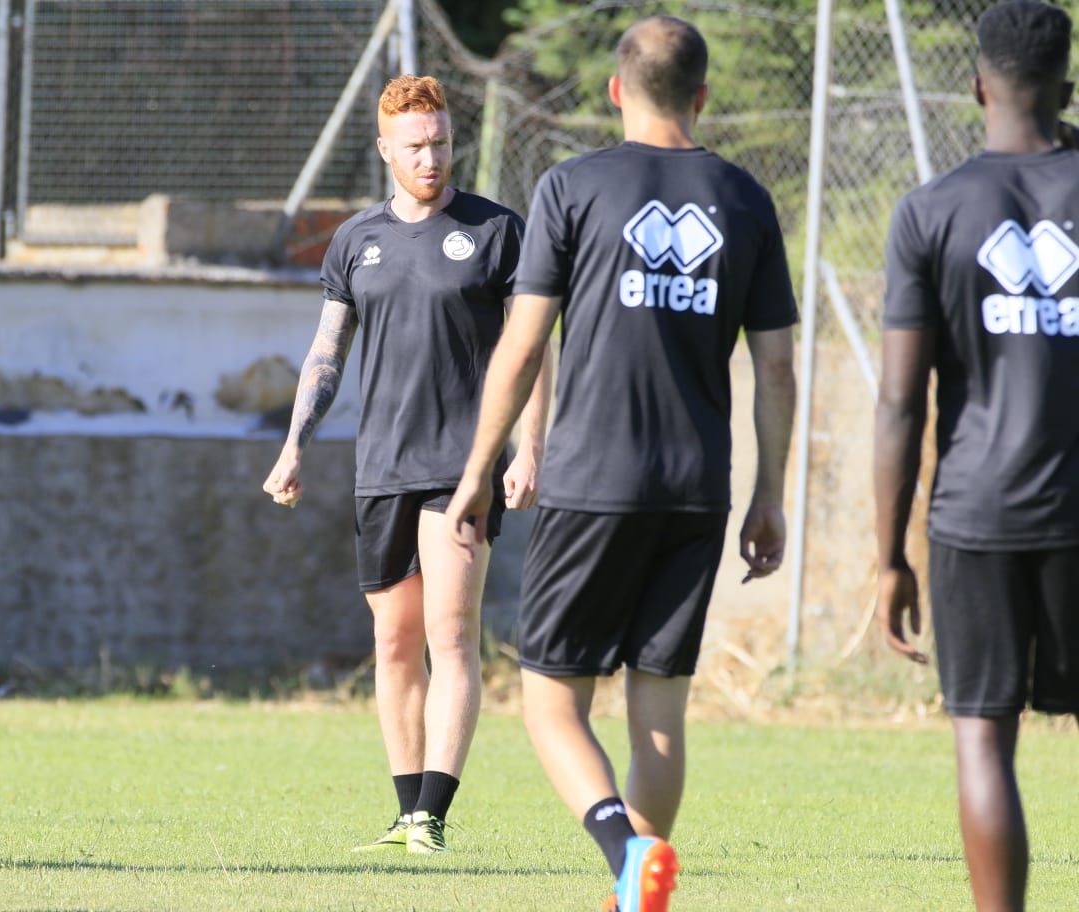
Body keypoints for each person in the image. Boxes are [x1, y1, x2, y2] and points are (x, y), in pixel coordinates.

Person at [446, 15, 797, 911]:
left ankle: (621, 854)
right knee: (661, 714)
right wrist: (769, 496)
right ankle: (634, 889)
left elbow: (523, 345)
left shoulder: (572, 186)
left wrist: (479, 467)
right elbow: (779, 365)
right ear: (704, 96)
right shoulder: (746, 197)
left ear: (614, 91)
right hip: (696, 489)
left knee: (551, 699)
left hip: (593, 484)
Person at [263, 74, 552, 855]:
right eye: (417, 145)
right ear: (386, 149)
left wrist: (530, 445)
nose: (432, 157)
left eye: (443, 142)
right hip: (380, 467)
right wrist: (294, 445)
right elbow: (327, 350)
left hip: (464, 466)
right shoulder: (356, 240)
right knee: (395, 643)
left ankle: (434, 815)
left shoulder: (498, 231)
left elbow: (534, 346)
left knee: (451, 636)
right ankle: (403, 811)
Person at [874, 3, 1078, 910]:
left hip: (975, 517)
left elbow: (896, 404)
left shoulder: (931, 210)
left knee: (983, 739)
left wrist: (888, 556)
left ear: (976, 87)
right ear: (1067, 89)